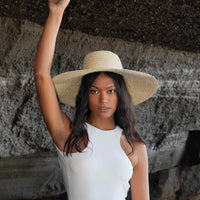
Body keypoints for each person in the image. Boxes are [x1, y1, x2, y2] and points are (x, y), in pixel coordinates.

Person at [34, 0, 158, 200]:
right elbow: (41, 76)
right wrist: (56, 14)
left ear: (120, 95)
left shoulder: (136, 147)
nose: (103, 100)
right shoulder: (69, 136)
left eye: (110, 91)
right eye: (94, 91)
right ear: (85, 95)